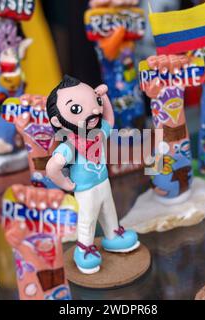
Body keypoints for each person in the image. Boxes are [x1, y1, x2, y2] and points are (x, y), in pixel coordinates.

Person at [45, 75, 139, 274]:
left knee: (109, 211)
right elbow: (52, 168)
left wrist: (103, 98)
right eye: (77, 109)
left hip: (103, 182)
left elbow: (109, 121)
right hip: (85, 190)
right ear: (57, 120)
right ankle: (84, 249)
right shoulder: (70, 144)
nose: (94, 110)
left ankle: (113, 237)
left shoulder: (96, 134)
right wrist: (66, 184)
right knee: (87, 220)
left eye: (94, 102)